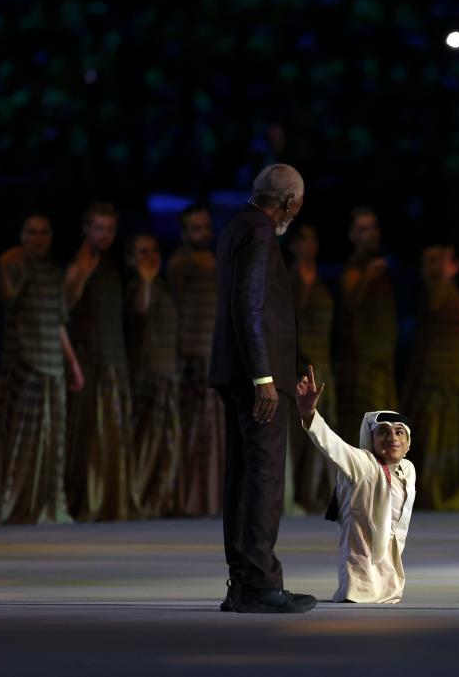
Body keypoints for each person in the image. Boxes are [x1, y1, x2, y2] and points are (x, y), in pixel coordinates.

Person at [209, 164, 316, 614]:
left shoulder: (239, 225)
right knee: (265, 478)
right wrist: (264, 378)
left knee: (245, 477)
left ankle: (243, 582)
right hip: (256, 379)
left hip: (238, 374)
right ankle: (259, 583)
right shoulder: (259, 233)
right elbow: (249, 305)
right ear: (290, 202)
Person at [0, 214, 83, 525]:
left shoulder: (52, 272)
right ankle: (11, 505)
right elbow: (7, 299)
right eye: (31, 232)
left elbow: (58, 321)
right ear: (21, 235)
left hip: (52, 366)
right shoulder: (14, 263)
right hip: (23, 364)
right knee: (18, 440)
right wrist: (4, 266)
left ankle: (46, 506)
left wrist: (71, 363)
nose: (38, 238)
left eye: (44, 232)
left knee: (52, 442)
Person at [298, 366, 416, 604]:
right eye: (383, 432)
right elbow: (332, 445)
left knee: (386, 586)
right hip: (361, 554)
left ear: (407, 443)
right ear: (370, 439)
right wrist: (310, 412)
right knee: (361, 589)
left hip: (390, 559)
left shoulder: (408, 469)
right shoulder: (363, 463)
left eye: (399, 432)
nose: (392, 438)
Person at [64, 202, 139, 522]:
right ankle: (86, 502)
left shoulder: (113, 265)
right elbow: (64, 307)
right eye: (98, 228)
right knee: (89, 435)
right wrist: (81, 272)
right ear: (85, 228)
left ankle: (112, 503)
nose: (104, 235)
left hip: (115, 359)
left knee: (113, 435)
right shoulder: (80, 263)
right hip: (88, 360)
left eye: (109, 229)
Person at [402, 245, 459, 510]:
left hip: (452, 370)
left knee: (449, 430)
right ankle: (434, 491)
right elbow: (433, 310)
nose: (440, 264)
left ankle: (446, 488)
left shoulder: (445, 287)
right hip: (436, 373)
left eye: (442, 259)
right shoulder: (434, 290)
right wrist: (443, 275)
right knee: (435, 429)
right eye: (434, 260)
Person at [168, 204, 224, 517]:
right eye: (195, 228)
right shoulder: (180, 263)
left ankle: (212, 498)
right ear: (183, 233)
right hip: (190, 356)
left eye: (205, 226)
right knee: (193, 432)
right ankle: (191, 499)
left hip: (215, 353)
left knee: (214, 430)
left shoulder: (216, 261)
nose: (203, 233)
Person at [125, 233, 181, 518]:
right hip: (145, 375)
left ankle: (160, 501)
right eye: (143, 251)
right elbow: (141, 309)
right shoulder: (137, 286)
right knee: (144, 441)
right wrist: (146, 279)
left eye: (154, 249)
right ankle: (138, 499)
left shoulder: (165, 287)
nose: (150, 256)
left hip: (168, 373)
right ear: (131, 258)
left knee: (166, 443)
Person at [335, 207, 398, 444]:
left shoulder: (382, 267)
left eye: (373, 227)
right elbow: (350, 304)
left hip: (383, 362)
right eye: (363, 229)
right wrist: (367, 276)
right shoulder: (356, 267)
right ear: (352, 235)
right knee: (364, 434)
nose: (370, 234)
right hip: (362, 364)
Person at [287, 223, 337, 513]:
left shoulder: (320, 282)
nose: (310, 245)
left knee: (322, 432)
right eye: (303, 238)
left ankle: (317, 493)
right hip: (299, 365)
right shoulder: (290, 280)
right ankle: (297, 494)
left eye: (313, 238)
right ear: (293, 245)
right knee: (299, 433)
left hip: (323, 363)